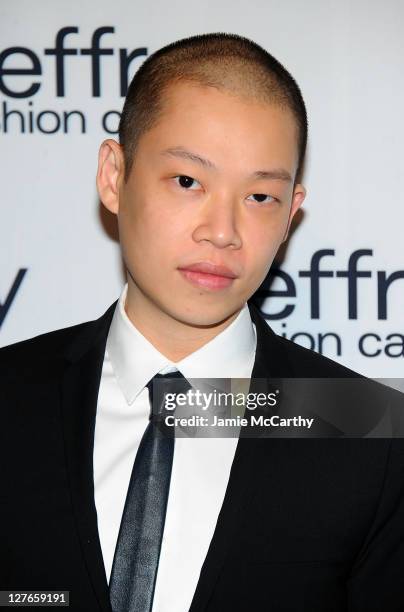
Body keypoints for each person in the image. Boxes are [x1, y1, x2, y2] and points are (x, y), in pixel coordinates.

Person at [1, 32, 404, 612]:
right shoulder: (10, 397)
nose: (222, 231)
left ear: (292, 212)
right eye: (188, 182)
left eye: (261, 196)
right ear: (115, 176)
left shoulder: (364, 428)